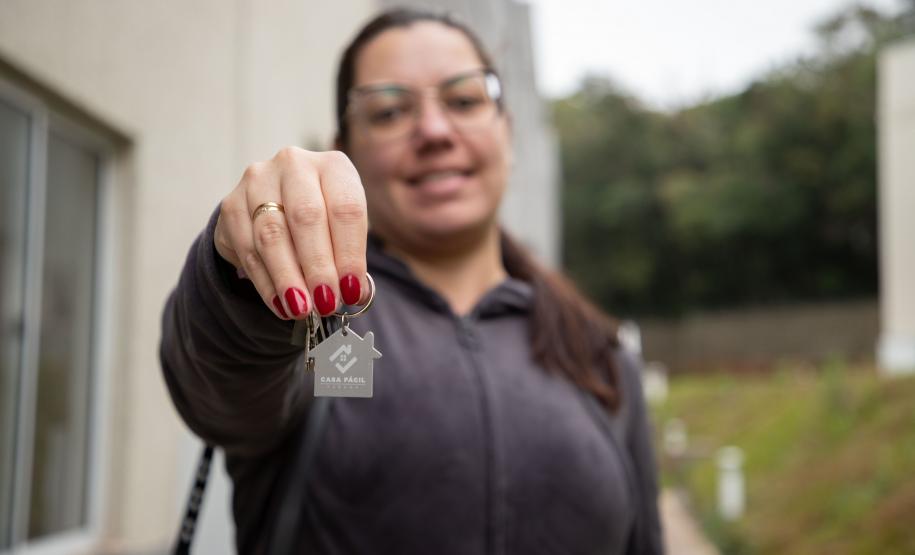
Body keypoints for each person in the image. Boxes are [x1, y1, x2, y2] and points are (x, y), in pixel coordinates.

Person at [160, 7, 663, 555]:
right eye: (390, 111)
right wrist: (239, 278)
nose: (433, 130)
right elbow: (223, 388)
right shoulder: (319, 329)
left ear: (508, 134)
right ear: (345, 150)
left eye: (465, 100)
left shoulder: (599, 353)